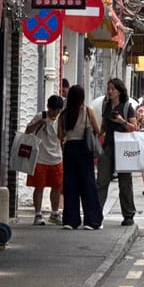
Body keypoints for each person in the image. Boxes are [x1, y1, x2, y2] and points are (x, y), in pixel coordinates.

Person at [57, 85, 103, 230]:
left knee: (70, 184)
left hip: (69, 149)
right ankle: (92, 220)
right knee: (88, 184)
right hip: (84, 149)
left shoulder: (63, 114)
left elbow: (60, 135)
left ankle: (70, 220)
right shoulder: (88, 111)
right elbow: (98, 130)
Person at [97, 78, 138, 227]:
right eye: (108, 89)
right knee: (101, 181)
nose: (110, 91)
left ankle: (128, 215)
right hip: (108, 146)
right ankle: (96, 213)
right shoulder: (105, 106)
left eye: (113, 89)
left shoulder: (127, 107)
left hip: (123, 147)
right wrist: (97, 136)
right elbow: (103, 126)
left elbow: (134, 127)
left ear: (119, 91)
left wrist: (122, 121)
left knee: (125, 182)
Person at [25, 94, 64, 225]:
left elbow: (62, 136)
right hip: (39, 158)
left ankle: (55, 213)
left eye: (57, 111)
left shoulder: (61, 119)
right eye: (53, 110)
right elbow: (27, 131)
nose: (55, 113)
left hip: (56, 158)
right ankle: (38, 214)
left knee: (57, 186)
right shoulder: (40, 116)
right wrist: (39, 123)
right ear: (48, 107)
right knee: (39, 186)